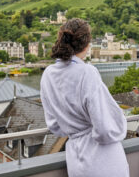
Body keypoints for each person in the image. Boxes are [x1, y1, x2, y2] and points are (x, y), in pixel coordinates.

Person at [40, 18, 129, 177]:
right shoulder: (87, 72)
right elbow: (105, 127)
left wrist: (75, 129)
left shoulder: (48, 74)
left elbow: (55, 126)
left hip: (75, 160)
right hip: (103, 159)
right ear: (87, 45)